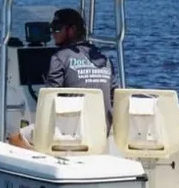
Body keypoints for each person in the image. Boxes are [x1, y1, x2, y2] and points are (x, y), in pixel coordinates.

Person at [8, 8, 118, 150]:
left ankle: (44, 158)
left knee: (13, 138)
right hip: (101, 131)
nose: (53, 33)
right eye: (51, 29)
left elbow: (49, 100)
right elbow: (114, 97)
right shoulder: (104, 59)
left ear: (72, 30)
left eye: (57, 28)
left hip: (70, 131)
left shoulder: (59, 57)